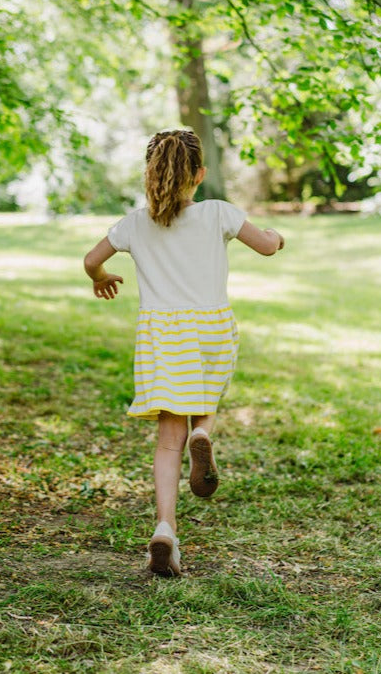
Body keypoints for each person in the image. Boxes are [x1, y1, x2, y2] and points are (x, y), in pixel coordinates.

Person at [84, 129, 284, 577]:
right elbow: (267, 245)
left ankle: (165, 529)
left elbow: (90, 259)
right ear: (200, 175)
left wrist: (100, 277)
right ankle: (205, 433)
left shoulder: (135, 222)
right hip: (211, 328)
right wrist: (276, 234)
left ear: (150, 175)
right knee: (206, 400)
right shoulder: (219, 213)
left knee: (167, 438)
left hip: (162, 336)